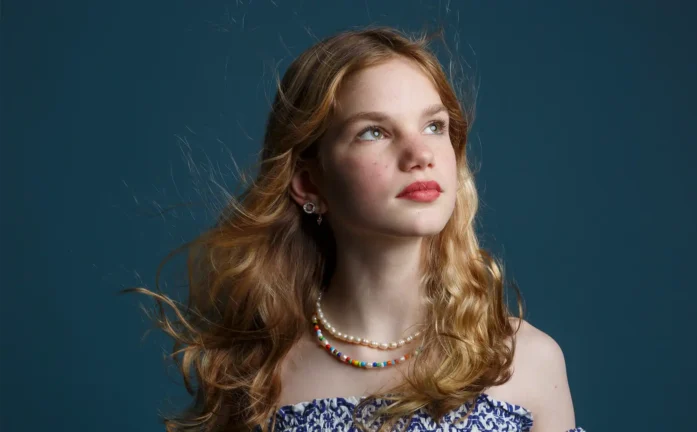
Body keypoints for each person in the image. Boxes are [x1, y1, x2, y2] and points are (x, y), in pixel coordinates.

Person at [129, 26, 587, 432]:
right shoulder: (251, 376)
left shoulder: (525, 360)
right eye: (374, 132)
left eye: (433, 125)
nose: (419, 154)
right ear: (309, 182)